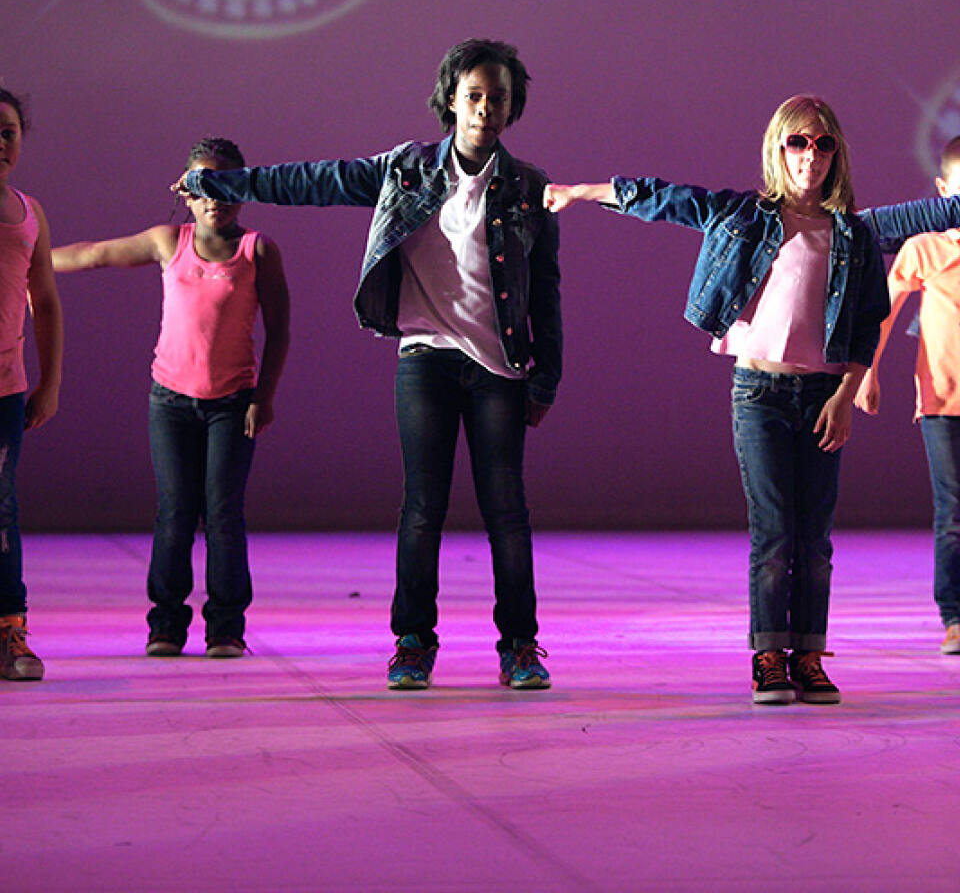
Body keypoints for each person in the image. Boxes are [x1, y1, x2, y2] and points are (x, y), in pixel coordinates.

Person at [544, 95, 960, 705]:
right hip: (761, 393)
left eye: (823, 144)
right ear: (778, 149)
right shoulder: (746, 216)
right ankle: (768, 656)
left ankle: (809, 656)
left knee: (814, 537)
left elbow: (871, 318)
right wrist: (583, 192)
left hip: (822, 395)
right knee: (774, 532)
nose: (810, 156)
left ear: (836, 154)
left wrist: (846, 393)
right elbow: (667, 199)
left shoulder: (854, 232)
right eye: (798, 142)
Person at [172, 39, 561, 690]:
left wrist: (546, 376)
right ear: (451, 101)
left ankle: (520, 646)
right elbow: (315, 181)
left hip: (499, 369)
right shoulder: (406, 169)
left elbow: (545, 289)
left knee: (507, 510)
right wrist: (225, 183)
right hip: (425, 359)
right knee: (422, 508)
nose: (485, 108)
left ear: (512, 105)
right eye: (473, 96)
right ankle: (412, 643)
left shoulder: (529, 187)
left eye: (498, 97)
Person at [54, 138, 289, 658]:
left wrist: (264, 398)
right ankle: (166, 622)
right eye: (203, 187)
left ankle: (226, 626)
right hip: (170, 402)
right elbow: (94, 254)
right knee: (175, 511)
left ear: (243, 189)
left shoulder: (257, 251)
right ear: (185, 191)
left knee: (222, 513)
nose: (215, 199)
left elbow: (280, 330)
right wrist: (28, 259)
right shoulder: (169, 242)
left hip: (232, 403)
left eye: (226, 185)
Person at [855, 135, 960, 655]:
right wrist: (867, 372)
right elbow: (884, 310)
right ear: (943, 191)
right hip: (944, 401)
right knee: (953, 510)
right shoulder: (927, 249)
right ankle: (956, 616)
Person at [0, 88, 64, 681]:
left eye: (9, 132)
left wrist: (50, 382)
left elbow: (43, 301)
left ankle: (10, 631)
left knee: (1, 506)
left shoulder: (29, 212)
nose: (0, 142)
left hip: (6, 389)